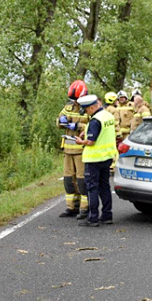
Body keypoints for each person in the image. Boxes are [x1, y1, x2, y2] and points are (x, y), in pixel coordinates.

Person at [74, 95, 118, 227]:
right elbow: (103, 133)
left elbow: (91, 142)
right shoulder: (108, 116)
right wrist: (86, 131)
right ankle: (106, 215)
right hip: (107, 157)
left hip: (94, 159)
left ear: (92, 107)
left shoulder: (95, 120)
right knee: (105, 186)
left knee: (92, 188)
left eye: (86, 110)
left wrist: (81, 141)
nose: (86, 113)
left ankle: (92, 218)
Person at [56, 80, 90, 218]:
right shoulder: (68, 107)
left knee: (82, 180)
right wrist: (61, 122)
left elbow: (93, 126)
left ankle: (84, 208)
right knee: (69, 180)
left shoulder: (89, 108)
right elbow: (58, 121)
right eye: (73, 100)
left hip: (81, 150)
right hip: (68, 150)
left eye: (77, 100)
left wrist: (78, 127)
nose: (75, 103)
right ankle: (72, 207)